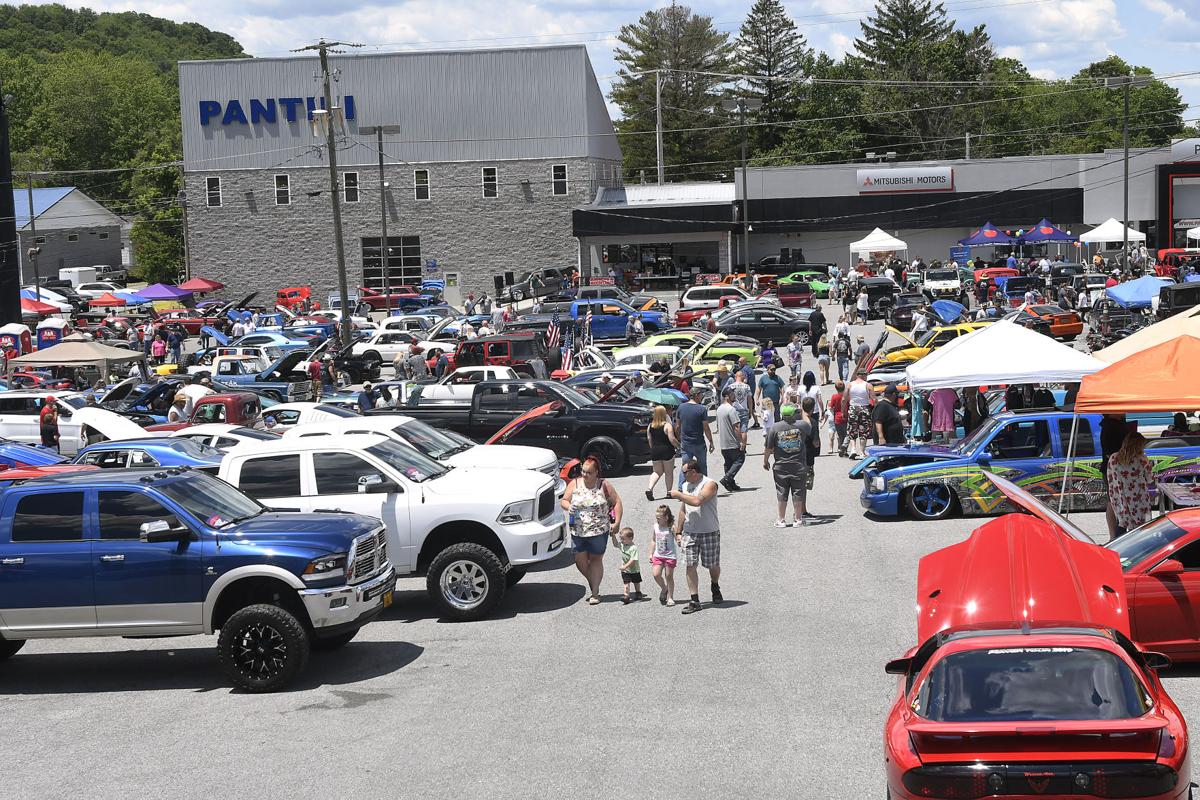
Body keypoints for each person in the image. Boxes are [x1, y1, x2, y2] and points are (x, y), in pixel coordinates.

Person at [562, 456, 622, 605]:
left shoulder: (604, 485)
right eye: (583, 471)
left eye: (589, 472)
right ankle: (593, 580)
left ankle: (595, 592)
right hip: (578, 531)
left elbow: (617, 503)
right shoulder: (574, 483)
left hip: (599, 530)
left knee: (595, 559)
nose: (585, 475)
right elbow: (564, 500)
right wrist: (568, 507)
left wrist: (617, 523)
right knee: (579, 561)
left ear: (596, 473)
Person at [668, 457, 721, 615]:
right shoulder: (685, 485)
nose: (682, 476)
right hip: (690, 532)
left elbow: (698, 501)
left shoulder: (710, 484)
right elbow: (684, 509)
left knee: (713, 565)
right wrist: (678, 531)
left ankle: (715, 585)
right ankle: (694, 600)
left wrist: (678, 495)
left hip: (709, 531)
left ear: (693, 471)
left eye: (684, 472)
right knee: (690, 565)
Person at [763, 403, 810, 528]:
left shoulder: (775, 428)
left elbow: (768, 447)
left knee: (781, 491)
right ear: (795, 414)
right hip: (799, 465)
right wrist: (803, 412)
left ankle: (781, 520)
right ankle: (798, 519)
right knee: (798, 491)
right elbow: (809, 426)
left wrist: (765, 461)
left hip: (781, 466)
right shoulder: (802, 425)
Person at [1107, 431, 1153, 539]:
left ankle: (1118, 548)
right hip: (1139, 498)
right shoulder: (1142, 459)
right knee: (1140, 527)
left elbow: (1110, 478)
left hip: (1120, 497)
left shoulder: (1114, 458)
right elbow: (1150, 479)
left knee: (1122, 524)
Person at [675, 388, 713, 488]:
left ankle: (681, 487)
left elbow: (678, 426)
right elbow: (706, 427)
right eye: (701, 394)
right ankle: (704, 487)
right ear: (696, 395)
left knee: (685, 466)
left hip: (686, 443)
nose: (702, 397)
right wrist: (711, 441)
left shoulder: (681, 407)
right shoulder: (701, 409)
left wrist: (678, 438)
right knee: (702, 466)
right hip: (699, 443)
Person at [715, 387, 747, 492]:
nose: (734, 395)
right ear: (727, 396)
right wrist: (741, 441)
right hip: (732, 442)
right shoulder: (731, 409)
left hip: (723, 442)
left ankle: (731, 484)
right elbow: (736, 427)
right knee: (739, 459)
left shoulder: (719, 409)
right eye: (732, 393)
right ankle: (727, 478)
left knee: (728, 463)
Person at [645, 404, 679, 500]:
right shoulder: (667, 425)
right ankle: (669, 492)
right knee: (668, 472)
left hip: (655, 451)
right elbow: (672, 439)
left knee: (656, 472)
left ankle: (649, 488)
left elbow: (649, 440)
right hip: (667, 451)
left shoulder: (650, 426)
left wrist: (653, 449)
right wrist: (679, 445)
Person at [649, 505, 678, 606]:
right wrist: (651, 553)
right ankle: (664, 588)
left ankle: (670, 597)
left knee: (669, 576)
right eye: (656, 517)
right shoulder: (656, 526)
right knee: (656, 574)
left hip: (670, 556)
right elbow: (653, 540)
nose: (656, 519)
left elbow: (677, 538)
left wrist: (679, 541)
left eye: (658, 518)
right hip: (658, 555)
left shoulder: (672, 527)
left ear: (666, 518)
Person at [846, 372, 874, 459]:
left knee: (852, 430)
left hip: (853, 408)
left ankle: (853, 449)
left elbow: (844, 398)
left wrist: (843, 410)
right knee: (864, 431)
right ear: (863, 375)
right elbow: (874, 398)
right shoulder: (868, 385)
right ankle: (862, 452)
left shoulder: (850, 385)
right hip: (864, 408)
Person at [616, 527, 645, 604]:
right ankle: (626, 596)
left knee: (636, 582)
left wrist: (624, 566)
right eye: (621, 539)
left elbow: (633, 560)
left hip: (634, 569)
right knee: (626, 583)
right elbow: (615, 544)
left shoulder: (633, 548)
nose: (621, 541)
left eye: (623, 539)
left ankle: (638, 592)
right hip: (626, 571)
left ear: (631, 538)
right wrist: (612, 535)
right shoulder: (622, 545)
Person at [828, 380, 848, 456]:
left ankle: (841, 448)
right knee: (846, 434)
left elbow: (831, 407)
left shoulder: (834, 396)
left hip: (837, 418)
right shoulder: (847, 396)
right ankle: (844, 448)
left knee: (840, 435)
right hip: (846, 417)